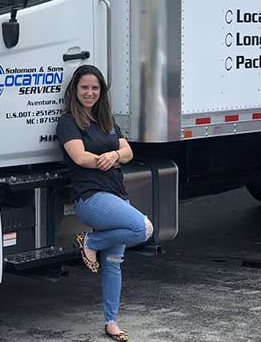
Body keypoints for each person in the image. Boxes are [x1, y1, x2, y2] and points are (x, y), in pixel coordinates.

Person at [56, 64, 154, 342]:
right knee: (143, 229)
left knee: (113, 262)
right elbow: (80, 158)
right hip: (92, 197)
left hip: (117, 194)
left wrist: (115, 155)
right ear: (75, 90)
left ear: (102, 92)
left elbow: (128, 151)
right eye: (84, 87)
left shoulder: (106, 120)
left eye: (95, 88)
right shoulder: (68, 122)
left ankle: (111, 322)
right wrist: (112, 157)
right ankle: (90, 242)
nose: (89, 93)